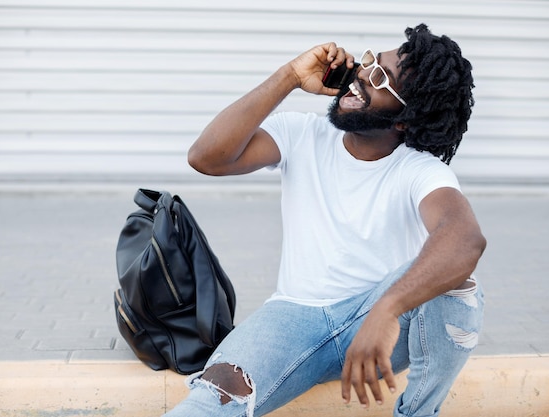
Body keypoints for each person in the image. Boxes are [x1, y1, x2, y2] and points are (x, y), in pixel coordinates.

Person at [165, 23, 486, 417]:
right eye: (370, 61)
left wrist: (386, 311)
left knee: (459, 282)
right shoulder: (303, 134)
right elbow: (206, 157)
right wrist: (290, 77)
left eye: (381, 77)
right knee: (217, 394)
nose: (362, 75)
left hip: (377, 323)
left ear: (405, 119)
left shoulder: (419, 170)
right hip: (291, 319)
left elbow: (464, 240)